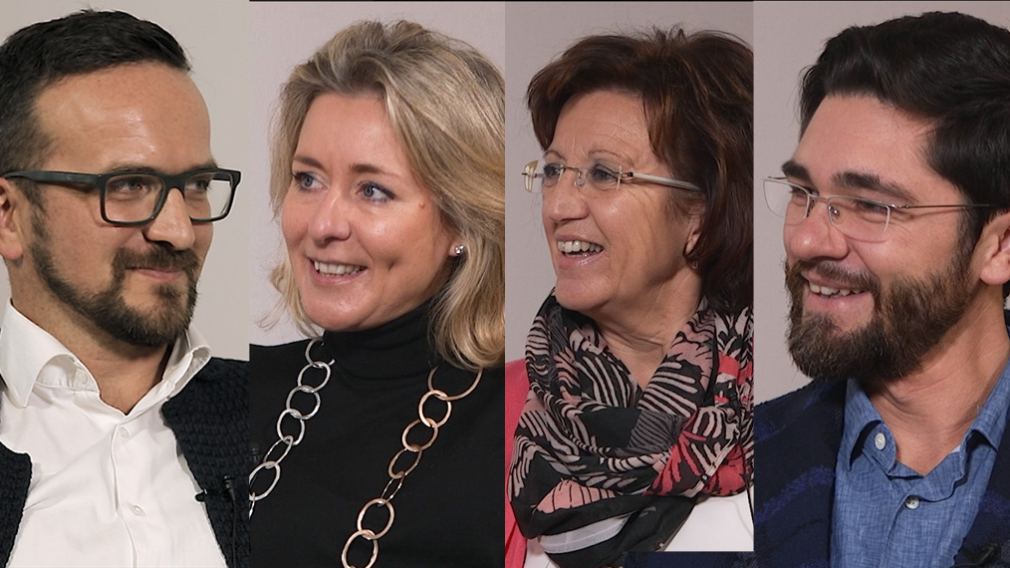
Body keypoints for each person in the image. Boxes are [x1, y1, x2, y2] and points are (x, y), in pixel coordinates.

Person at [752, 10, 1010, 568]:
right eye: (802, 192)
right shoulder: (728, 466)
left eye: (871, 206)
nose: (807, 239)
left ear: (1000, 247)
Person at [247, 20, 505, 568]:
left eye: (373, 190)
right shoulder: (236, 393)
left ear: (463, 220)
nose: (323, 225)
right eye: (307, 179)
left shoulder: (521, 429)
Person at [0, 10, 247, 568]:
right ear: (10, 216)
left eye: (196, 185)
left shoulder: (280, 419)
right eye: (129, 185)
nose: (180, 231)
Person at [506, 27, 754, 568]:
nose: (559, 206)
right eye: (553, 171)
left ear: (700, 213)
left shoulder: (779, 416)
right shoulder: (496, 410)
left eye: (603, 174)